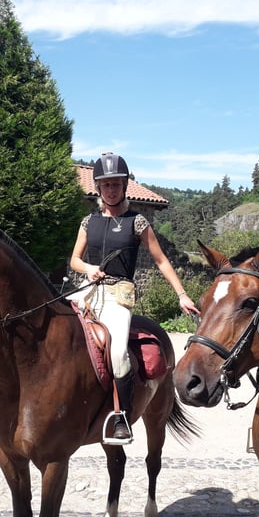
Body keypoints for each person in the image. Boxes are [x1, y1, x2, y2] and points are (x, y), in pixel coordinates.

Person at [70, 152, 200, 444]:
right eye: (106, 185)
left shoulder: (137, 222)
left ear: (124, 187)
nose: (111, 189)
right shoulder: (88, 222)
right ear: (98, 188)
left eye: (116, 184)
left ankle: (122, 417)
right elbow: (75, 260)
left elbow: (162, 260)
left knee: (117, 352)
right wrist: (89, 269)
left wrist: (181, 294)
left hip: (118, 295)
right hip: (87, 290)